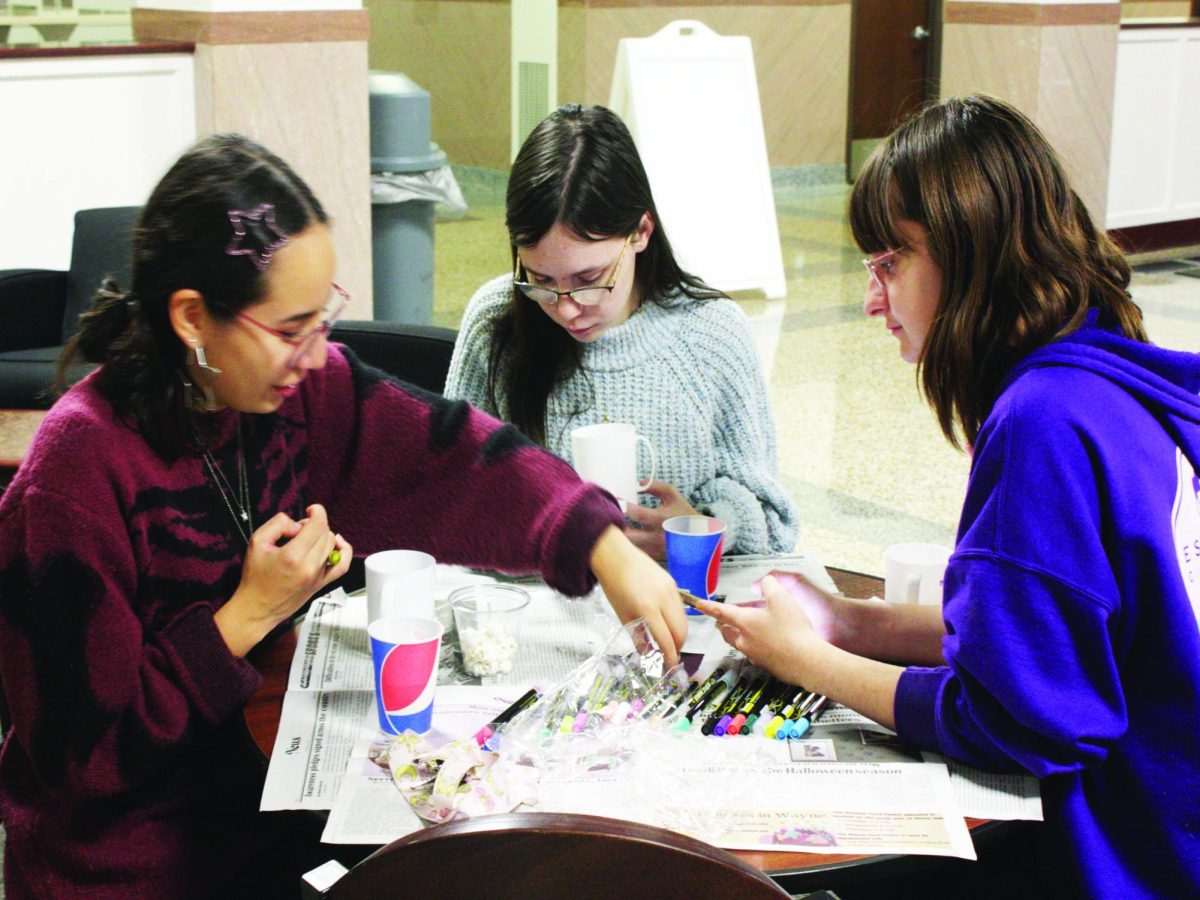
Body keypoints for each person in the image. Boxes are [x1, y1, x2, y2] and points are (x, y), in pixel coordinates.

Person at [0, 133, 687, 898]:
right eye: (291, 330)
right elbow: (85, 758)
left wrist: (596, 539)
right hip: (127, 869)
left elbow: (455, 457)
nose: (315, 353)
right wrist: (244, 617)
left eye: (323, 318)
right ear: (193, 318)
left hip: (259, 818)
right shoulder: (76, 475)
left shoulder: (296, 393)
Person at [694, 96, 1200, 897]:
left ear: (972, 256)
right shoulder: (1111, 372)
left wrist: (810, 660)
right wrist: (854, 622)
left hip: (1127, 856)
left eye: (890, 263)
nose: (870, 300)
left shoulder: (1043, 425)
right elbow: (1049, 634)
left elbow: (1017, 722)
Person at [444, 104, 797, 559]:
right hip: (533, 609)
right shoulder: (498, 321)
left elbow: (773, 518)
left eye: (590, 280)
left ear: (641, 233)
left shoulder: (709, 333)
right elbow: (448, 493)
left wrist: (708, 527)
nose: (568, 309)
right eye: (542, 281)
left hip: (676, 609)